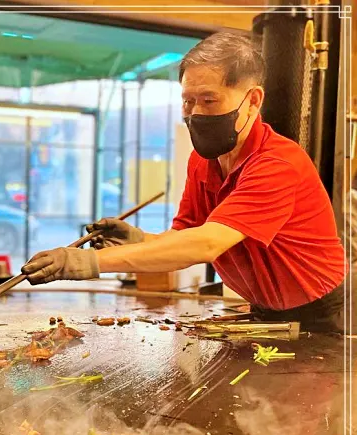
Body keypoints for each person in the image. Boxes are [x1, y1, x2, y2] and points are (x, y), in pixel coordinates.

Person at [21, 32, 348, 333]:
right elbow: (185, 235)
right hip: (264, 309)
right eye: (188, 101)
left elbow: (207, 244)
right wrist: (139, 240)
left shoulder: (277, 163)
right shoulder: (203, 160)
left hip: (322, 313)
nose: (195, 113)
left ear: (252, 101)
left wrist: (85, 262)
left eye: (209, 100)